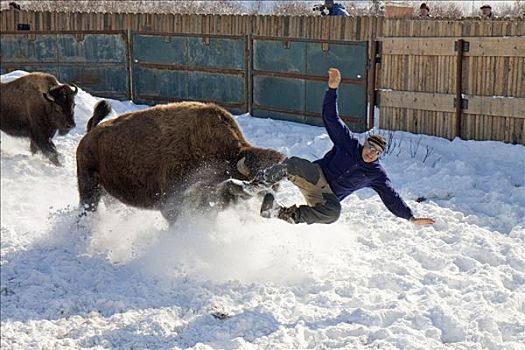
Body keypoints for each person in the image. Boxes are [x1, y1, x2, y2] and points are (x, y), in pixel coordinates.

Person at [244, 68, 434, 226]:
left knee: (333, 214)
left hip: (327, 196)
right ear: (365, 143)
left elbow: (391, 197)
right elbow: (331, 119)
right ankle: (254, 186)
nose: (371, 153)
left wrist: (410, 217)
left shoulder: (376, 174)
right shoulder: (348, 143)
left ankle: (278, 212)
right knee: (292, 164)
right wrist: (332, 90)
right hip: (315, 176)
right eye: (370, 147)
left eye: (377, 152)